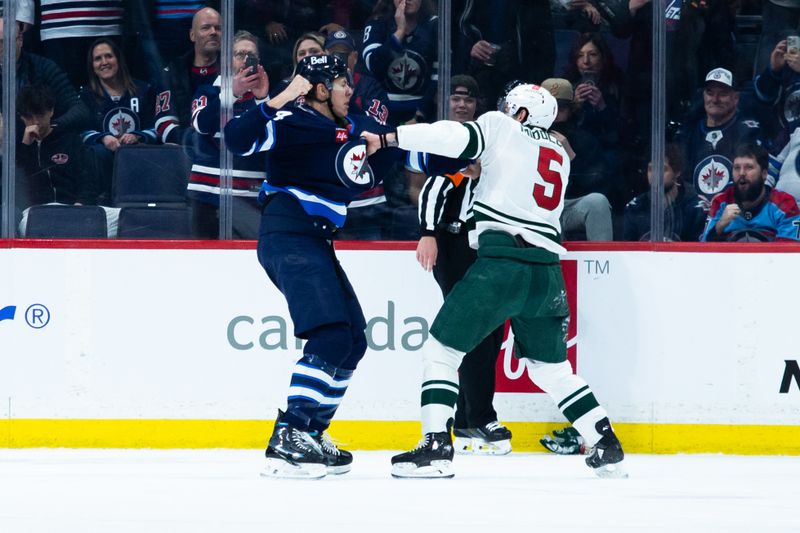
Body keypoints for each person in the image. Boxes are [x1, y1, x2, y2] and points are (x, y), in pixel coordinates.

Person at [363, 84, 626, 479]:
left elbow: (451, 136)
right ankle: (604, 441)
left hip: (501, 262)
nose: (501, 111)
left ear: (519, 113)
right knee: (549, 368)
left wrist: (388, 138)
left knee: (441, 351)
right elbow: (515, 181)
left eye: (508, 107)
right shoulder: (558, 151)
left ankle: (435, 445)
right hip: (546, 271)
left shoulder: (500, 128)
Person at [224, 54, 400, 479]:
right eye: (341, 84)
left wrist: (456, 160)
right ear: (320, 89)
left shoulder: (349, 125)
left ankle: (312, 431)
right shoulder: (290, 120)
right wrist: (279, 98)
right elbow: (236, 138)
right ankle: (289, 434)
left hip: (316, 242)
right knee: (330, 334)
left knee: (352, 340)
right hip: (287, 235)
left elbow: (387, 154)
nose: (350, 91)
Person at [413, 75, 511, 455]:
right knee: (475, 332)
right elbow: (436, 186)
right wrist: (428, 232)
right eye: (455, 98)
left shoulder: (495, 143)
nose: (461, 104)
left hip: (482, 247)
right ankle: (480, 416)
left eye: (468, 98)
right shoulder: (456, 141)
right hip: (454, 242)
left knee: (490, 334)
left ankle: (469, 417)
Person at [188, 30, 268, 239]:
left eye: (251, 55)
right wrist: (232, 92)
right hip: (207, 192)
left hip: (250, 194)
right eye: (239, 54)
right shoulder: (208, 91)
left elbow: (272, 138)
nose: (244, 60)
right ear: (227, 59)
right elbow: (201, 124)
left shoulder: (266, 98)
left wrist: (263, 99)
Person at [324, 29, 393, 240]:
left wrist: (345, 95)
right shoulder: (316, 88)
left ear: (355, 56)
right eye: (334, 53)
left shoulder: (371, 86)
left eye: (344, 54)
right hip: (329, 197)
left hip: (367, 201)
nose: (340, 58)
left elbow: (377, 128)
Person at [80, 37, 158, 204]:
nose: (104, 62)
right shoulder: (86, 95)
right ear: (92, 66)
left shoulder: (143, 90)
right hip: (103, 166)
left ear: (118, 59)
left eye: (109, 56)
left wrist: (137, 136)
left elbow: (156, 128)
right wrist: (103, 137)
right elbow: (82, 130)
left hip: (138, 162)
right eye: (97, 59)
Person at [15, 84, 100, 236]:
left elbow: (88, 182)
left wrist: (80, 206)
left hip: (74, 209)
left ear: (51, 111)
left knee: (120, 217)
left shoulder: (71, 141)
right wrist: (25, 146)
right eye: (29, 117)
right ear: (21, 117)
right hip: (37, 213)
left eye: (40, 114)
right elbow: (17, 190)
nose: (35, 122)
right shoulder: (20, 149)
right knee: (24, 224)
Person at [675, 67, 761, 204]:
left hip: (734, 208)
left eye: (723, 94)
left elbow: (753, 177)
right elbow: (679, 175)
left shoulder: (748, 132)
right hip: (693, 209)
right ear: (703, 96)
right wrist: (694, 201)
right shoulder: (689, 132)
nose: (715, 99)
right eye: (710, 93)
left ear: (736, 98)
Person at [541, 77, 613, 241]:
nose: (555, 115)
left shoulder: (584, 139)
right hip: (535, 208)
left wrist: (570, 154)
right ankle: (550, 265)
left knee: (598, 202)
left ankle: (600, 263)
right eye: (550, 108)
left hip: (569, 205)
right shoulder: (525, 136)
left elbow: (595, 182)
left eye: (561, 108)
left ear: (571, 110)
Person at [0, 19, 91, 135]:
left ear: (20, 40)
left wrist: (50, 127)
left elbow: (79, 111)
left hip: (41, 141)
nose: (0, 48)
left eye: (3, 42)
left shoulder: (44, 68)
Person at [702, 143, 800, 242]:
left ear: (764, 174)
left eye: (749, 167)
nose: (741, 173)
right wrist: (719, 226)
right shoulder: (721, 203)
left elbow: (788, 253)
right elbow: (701, 251)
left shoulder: (785, 204)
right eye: (736, 168)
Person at [361, 0, 439, 125]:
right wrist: (399, 31)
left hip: (422, 113)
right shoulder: (377, 24)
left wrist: (421, 114)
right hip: (382, 110)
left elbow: (440, 77)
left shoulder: (435, 25)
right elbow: (373, 64)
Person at [155, 7, 221, 145]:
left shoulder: (233, 72)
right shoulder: (172, 73)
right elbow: (163, 124)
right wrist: (193, 141)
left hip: (222, 153)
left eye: (218, 28)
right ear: (192, 35)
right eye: (206, 28)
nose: (213, 32)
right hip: (182, 152)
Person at [623, 144, 708, 241]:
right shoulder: (635, 208)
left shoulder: (696, 207)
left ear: (677, 172)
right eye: (651, 169)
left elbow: (699, 252)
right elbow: (628, 252)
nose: (655, 175)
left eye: (663, 169)